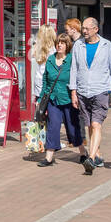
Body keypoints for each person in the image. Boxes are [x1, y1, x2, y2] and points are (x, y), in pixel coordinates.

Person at [69, 17, 111, 175]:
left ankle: (90, 158)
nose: (84, 31)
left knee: (97, 124)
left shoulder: (106, 46)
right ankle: (97, 155)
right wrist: (73, 91)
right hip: (83, 90)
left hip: (101, 90)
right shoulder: (78, 45)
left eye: (87, 28)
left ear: (96, 29)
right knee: (90, 125)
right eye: (83, 28)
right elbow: (74, 69)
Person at [38, 32, 82, 166]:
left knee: (73, 128)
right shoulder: (50, 60)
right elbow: (45, 80)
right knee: (53, 127)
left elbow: (77, 79)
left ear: (67, 45)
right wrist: (40, 99)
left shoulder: (71, 60)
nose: (59, 45)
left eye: (62, 43)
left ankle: (83, 153)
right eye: (58, 43)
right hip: (53, 100)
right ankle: (49, 157)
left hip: (69, 100)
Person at [28, 24, 56, 113]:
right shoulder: (54, 49)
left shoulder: (37, 48)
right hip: (49, 82)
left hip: (38, 81)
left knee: (40, 108)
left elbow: (29, 57)